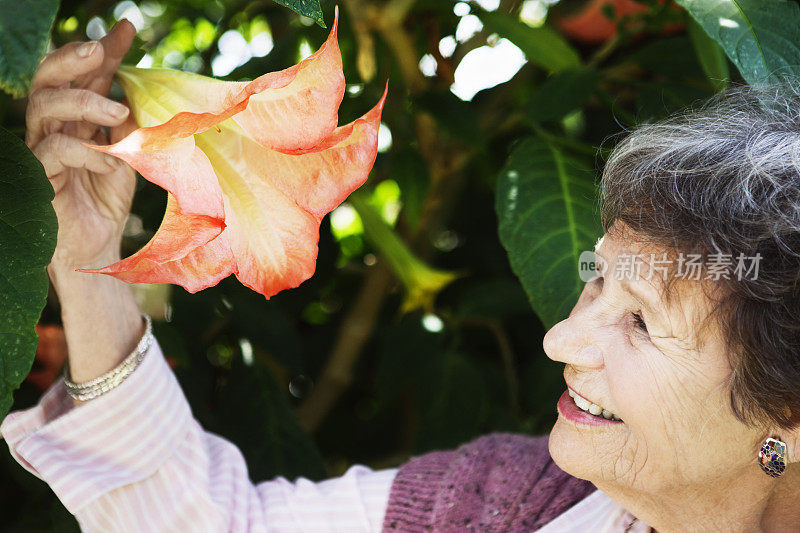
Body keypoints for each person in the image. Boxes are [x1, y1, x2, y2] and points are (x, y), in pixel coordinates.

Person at [5, 17, 800, 533]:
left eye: (640, 320)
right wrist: (88, 259)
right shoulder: (507, 503)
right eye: (597, 281)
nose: (560, 336)